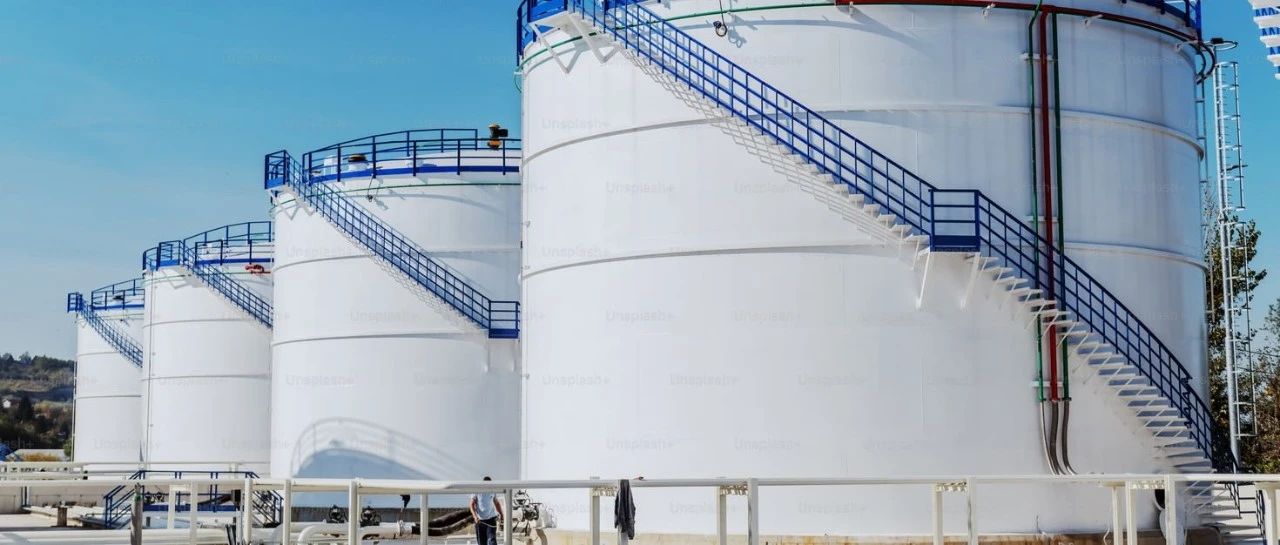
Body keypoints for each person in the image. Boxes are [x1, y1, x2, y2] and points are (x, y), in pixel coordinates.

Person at [471, 476, 504, 545]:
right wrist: (475, 517)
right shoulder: (477, 490)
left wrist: (501, 514)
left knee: (492, 541)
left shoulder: (492, 491)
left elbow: (496, 503)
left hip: (491, 520)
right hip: (480, 521)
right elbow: (471, 504)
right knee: (482, 543)